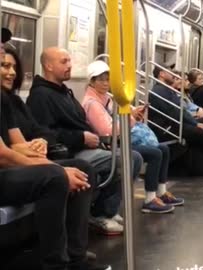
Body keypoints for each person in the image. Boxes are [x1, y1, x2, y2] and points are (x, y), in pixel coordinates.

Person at [0, 35, 110, 270]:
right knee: (55, 177)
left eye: (10, 65)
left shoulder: (7, 101)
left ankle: (75, 254)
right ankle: (55, 263)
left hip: (10, 166)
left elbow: (18, 145)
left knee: (83, 169)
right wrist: (57, 168)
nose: (9, 72)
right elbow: (3, 155)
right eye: (3, 64)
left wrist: (38, 145)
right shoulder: (39, 96)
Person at [26, 47, 143, 235]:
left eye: (69, 61)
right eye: (64, 62)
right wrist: (80, 138)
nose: (70, 65)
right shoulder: (41, 96)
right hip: (67, 152)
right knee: (128, 160)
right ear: (48, 65)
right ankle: (100, 214)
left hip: (82, 146)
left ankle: (104, 209)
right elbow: (44, 134)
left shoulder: (64, 92)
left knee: (132, 156)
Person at [82, 60, 184, 214]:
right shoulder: (92, 104)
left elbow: (121, 114)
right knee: (155, 153)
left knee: (164, 148)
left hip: (119, 140)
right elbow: (107, 131)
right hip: (109, 144)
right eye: (101, 80)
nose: (106, 83)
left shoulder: (106, 99)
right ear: (92, 82)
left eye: (108, 79)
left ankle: (161, 192)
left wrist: (134, 113)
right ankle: (150, 199)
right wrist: (131, 119)